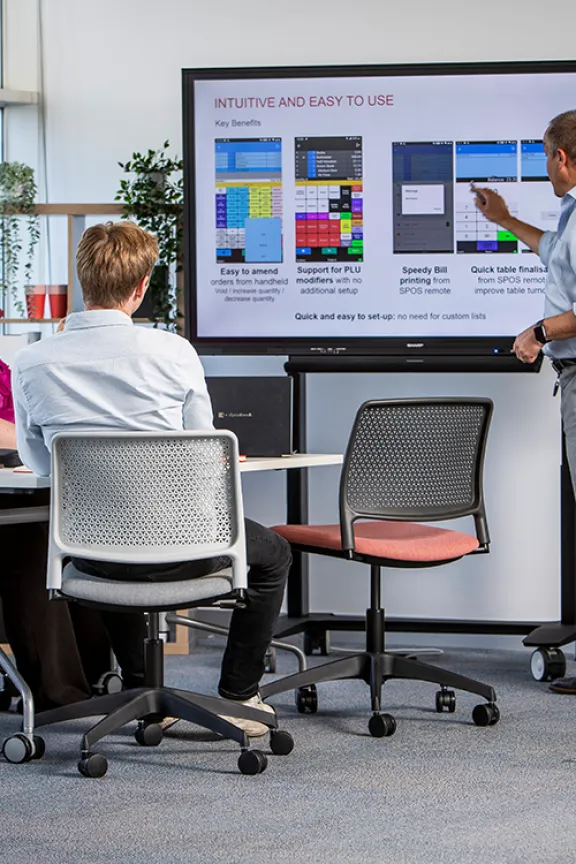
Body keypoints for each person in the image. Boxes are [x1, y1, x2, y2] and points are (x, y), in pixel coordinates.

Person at [11, 221, 292, 736]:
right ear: (141, 287)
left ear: (82, 279)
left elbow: (45, 467)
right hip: (182, 544)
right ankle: (239, 695)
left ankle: (143, 688)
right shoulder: (173, 352)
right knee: (273, 554)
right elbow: (203, 450)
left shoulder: (30, 363)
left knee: (119, 540)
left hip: (89, 550)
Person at [473, 108, 576, 694]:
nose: (545, 168)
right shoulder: (572, 212)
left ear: (561, 156)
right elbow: (556, 257)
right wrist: (507, 219)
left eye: (544, 157)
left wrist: (538, 332)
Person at [1, 366, 115, 710]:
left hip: (17, 484)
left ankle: (95, 676)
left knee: (73, 527)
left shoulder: (6, 371)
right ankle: (57, 692)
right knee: (30, 542)